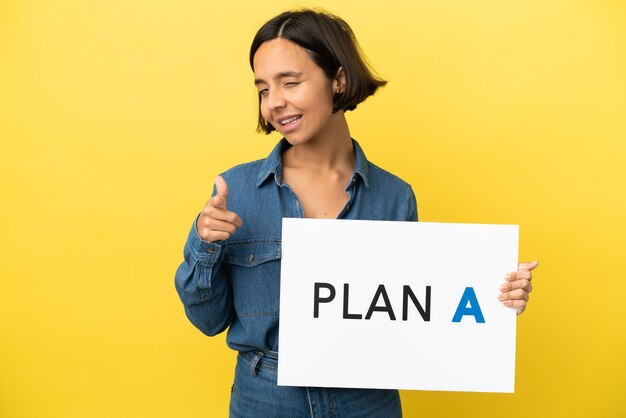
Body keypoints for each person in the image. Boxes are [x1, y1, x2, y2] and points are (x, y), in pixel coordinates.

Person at [174, 9, 538, 417]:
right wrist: (205, 246)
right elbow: (208, 320)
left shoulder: (394, 197)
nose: (274, 102)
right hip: (265, 398)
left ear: (339, 79)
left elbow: (417, 315)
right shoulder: (236, 191)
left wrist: (496, 297)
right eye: (262, 89)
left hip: (366, 400)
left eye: (290, 82)